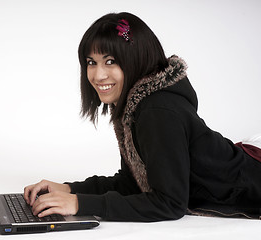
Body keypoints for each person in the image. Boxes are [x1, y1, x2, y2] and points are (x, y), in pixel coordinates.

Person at [24, 12, 261, 222]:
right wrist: (69, 189)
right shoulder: (135, 103)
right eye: (91, 62)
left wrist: (80, 204)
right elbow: (133, 183)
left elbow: (169, 203)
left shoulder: (157, 111)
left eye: (110, 61)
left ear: (135, 59)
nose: (98, 75)